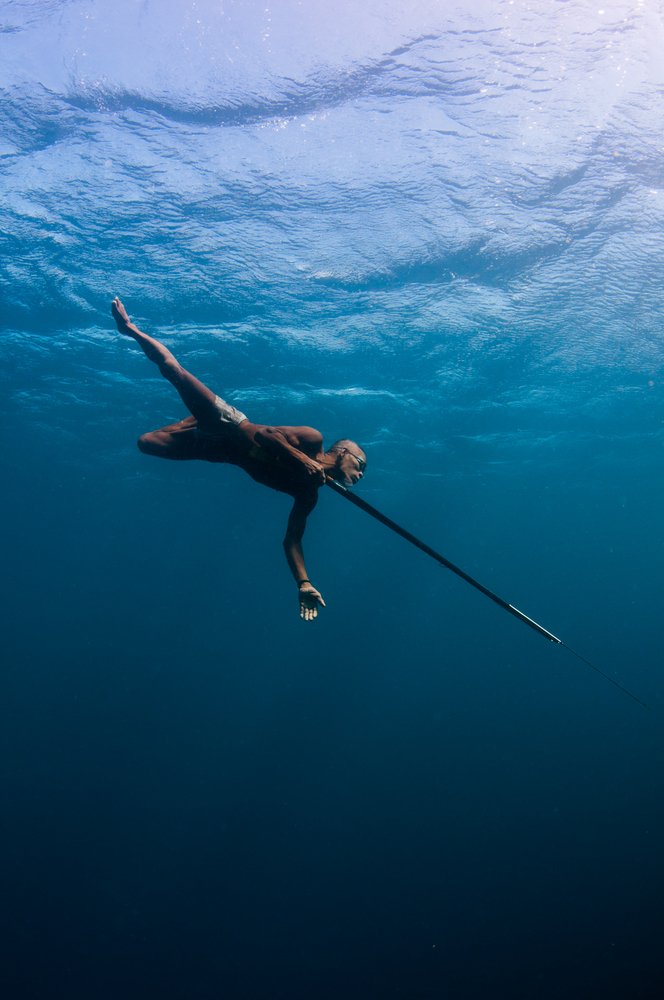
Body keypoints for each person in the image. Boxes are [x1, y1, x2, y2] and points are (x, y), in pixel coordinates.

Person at [112, 297, 366, 622]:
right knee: (174, 371)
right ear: (343, 453)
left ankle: (193, 423)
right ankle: (131, 329)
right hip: (229, 423)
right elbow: (266, 435)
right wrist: (303, 460)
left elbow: (292, 539)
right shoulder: (312, 439)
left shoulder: (308, 493)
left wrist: (303, 582)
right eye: (360, 465)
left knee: (145, 443)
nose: (361, 474)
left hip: (219, 452)